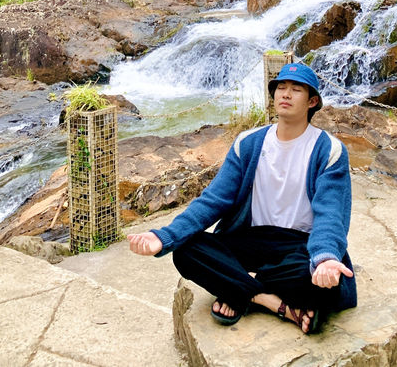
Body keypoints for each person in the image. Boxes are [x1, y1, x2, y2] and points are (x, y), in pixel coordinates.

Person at [128, 63, 356, 335]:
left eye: (296, 89)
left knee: (325, 282)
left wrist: (325, 259)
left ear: (312, 101)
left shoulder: (329, 150)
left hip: (300, 246)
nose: (285, 94)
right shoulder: (248, 143)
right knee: (186, 251)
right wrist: (165, 235)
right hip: (250, 239)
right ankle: (271, 302)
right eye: (281, 87)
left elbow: (330, 215)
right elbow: (213, 200)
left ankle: (236, 288)